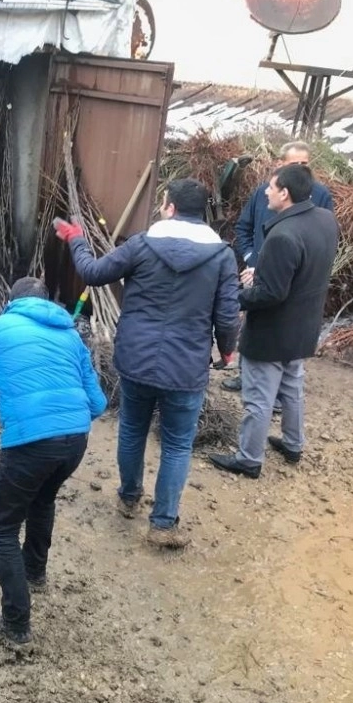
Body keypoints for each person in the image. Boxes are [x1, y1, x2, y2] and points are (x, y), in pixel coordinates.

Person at [55, 178, 240, 548]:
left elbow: (92, 274)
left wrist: (76, 238)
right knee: (176, 444)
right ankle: (163, 523)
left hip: (136, 360)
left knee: (133, 430)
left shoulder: (141, 245)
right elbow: (227, 314)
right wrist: (228, 351)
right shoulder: (221, 256)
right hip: (186, 367)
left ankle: (128, 497)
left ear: (170, 206)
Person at [0, 277, 107, 646]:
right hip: (75, 442)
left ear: (11, 302)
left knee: (1, 527)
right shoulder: (71, 335)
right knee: (43, 500)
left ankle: (16, 624)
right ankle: (35, 572)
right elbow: (98, 404)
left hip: (29, 445)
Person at [209, 163, 338, 478]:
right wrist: (264, 272)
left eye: (270, 187)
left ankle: (249, 459)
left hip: (272, 332)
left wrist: (233, 297)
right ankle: (293, 444)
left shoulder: (283, 234)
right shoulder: (325, 219)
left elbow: (271, 294)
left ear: (285, 193)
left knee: (258, 398)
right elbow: (303, 269)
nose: (265, 191)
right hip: (304, 325)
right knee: (292, 387)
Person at [222, 140, 334, 395]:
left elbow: (320, 240)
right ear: (280, 165)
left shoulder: (320, 197)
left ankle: (272, 389)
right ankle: (246, 375)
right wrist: (253, 259)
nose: (301, 169)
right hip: (258, 266)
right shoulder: (265, 193)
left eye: (305, 164)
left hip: (292, 276)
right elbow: (243, 227)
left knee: (282, 324)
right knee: (255, 321)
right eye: (294, 164)